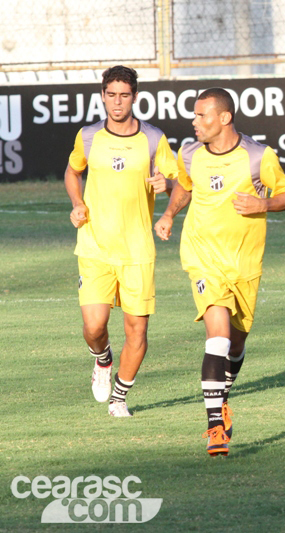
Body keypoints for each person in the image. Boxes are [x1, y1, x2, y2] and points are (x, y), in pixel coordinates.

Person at [154, 88, 285, 456]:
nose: (194, 122)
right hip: (202, 257)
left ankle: (223, 395)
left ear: (224, 118)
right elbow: (184, 186)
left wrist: (262, 204)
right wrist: (168, 214)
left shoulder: (258, 156)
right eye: (194, 115)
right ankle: (215, 427)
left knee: (235, 342)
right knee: (216, 336)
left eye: (201, 115)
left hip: (244, 264)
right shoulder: (190, 153)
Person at [64, 65, 177, 417]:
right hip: (95, 246)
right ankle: (102, 359)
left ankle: (119, 398)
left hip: (138, 250)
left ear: (135, 97)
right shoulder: (88, 136)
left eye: (124, 95)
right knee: (94, 326)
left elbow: (180, 183)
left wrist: (167, 187)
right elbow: (73, 171)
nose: (117, 102)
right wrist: (77, 202)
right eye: (111, 95)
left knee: (137, 330)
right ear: (102, 96)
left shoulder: (154, 138)